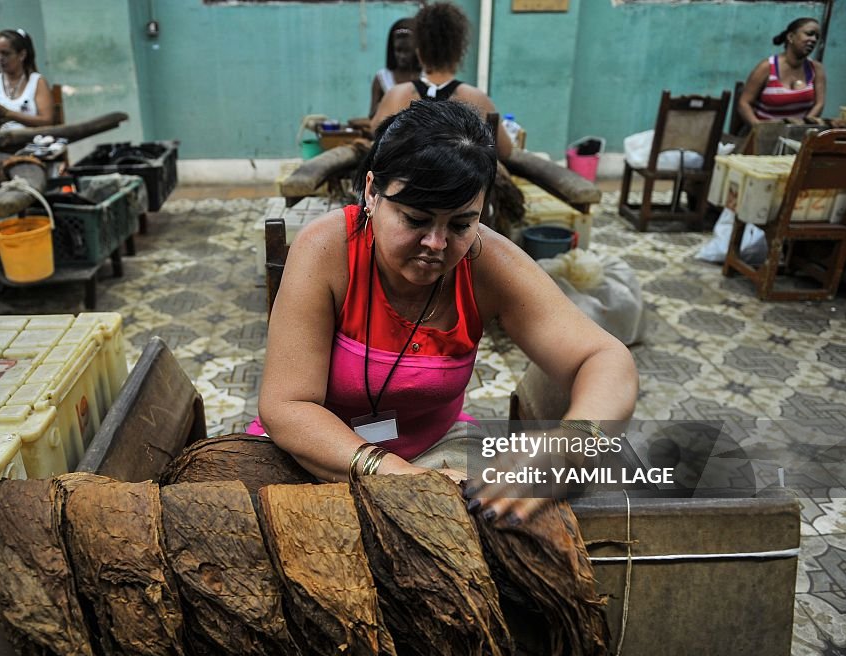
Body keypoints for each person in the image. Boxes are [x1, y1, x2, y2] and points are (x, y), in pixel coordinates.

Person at [256, 99, 638, 524]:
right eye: (416, 219)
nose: (436, 245)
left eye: (460, 224)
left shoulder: (487, 263)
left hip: (438, 450)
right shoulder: (326, 251)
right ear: (371, 192)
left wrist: (569, 446)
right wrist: (394, 472)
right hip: (318, 454)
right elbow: (287, 405)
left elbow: (607, 358)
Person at [370, 3, 513, 162]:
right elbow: (505, 150)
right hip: (459, 186)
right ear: (459, 52)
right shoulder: (477, 98)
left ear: (419, 51)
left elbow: (376, 136)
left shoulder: (395, 96)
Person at [737, 17, 827, 129]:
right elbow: (744, 104)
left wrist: (801, 127)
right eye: (809, 34)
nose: (813, 39)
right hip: (764, 135)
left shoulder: (816, 69)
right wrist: (759, 128)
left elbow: (819, 104)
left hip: (798, 137)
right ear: (790, 37)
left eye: (816, 37)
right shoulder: (766, 68)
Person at [0, 29, 55, 130]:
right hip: (2, 142)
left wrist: (8, 114)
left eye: (6, 53)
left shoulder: (37, 82)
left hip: (33, 141)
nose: (0, 58)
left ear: (22, 55)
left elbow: (47, 121)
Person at [368, 18, 420, 119]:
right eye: (398, 50)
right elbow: (372, 115)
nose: (402, 56)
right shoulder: (382, 78)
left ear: (417, 51)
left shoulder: (424, 77)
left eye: (407, 51)